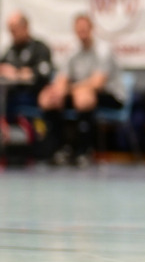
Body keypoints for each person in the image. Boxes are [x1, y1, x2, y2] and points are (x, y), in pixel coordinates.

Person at [37, 13, 124, 166]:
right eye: (79, 30)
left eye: (85, 29)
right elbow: (62, 77)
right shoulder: (73, 51)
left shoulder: (103, 50)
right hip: (78, 92)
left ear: (92, 29)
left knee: (83, 98)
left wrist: (69, 89)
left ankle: (84, 150)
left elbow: (97, 83)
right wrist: (57, 91)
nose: (82, 33)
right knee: (49, 99)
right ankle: (59, 149)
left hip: (110, 95)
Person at [0, 11, 52, 153]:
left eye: (15, 30)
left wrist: (17, 73)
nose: (13, 34)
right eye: (10, 31)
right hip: (10, 98)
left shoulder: (39, 48)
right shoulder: (11, 50)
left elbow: (42, 73)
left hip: (33, 97)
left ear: (25, 27)